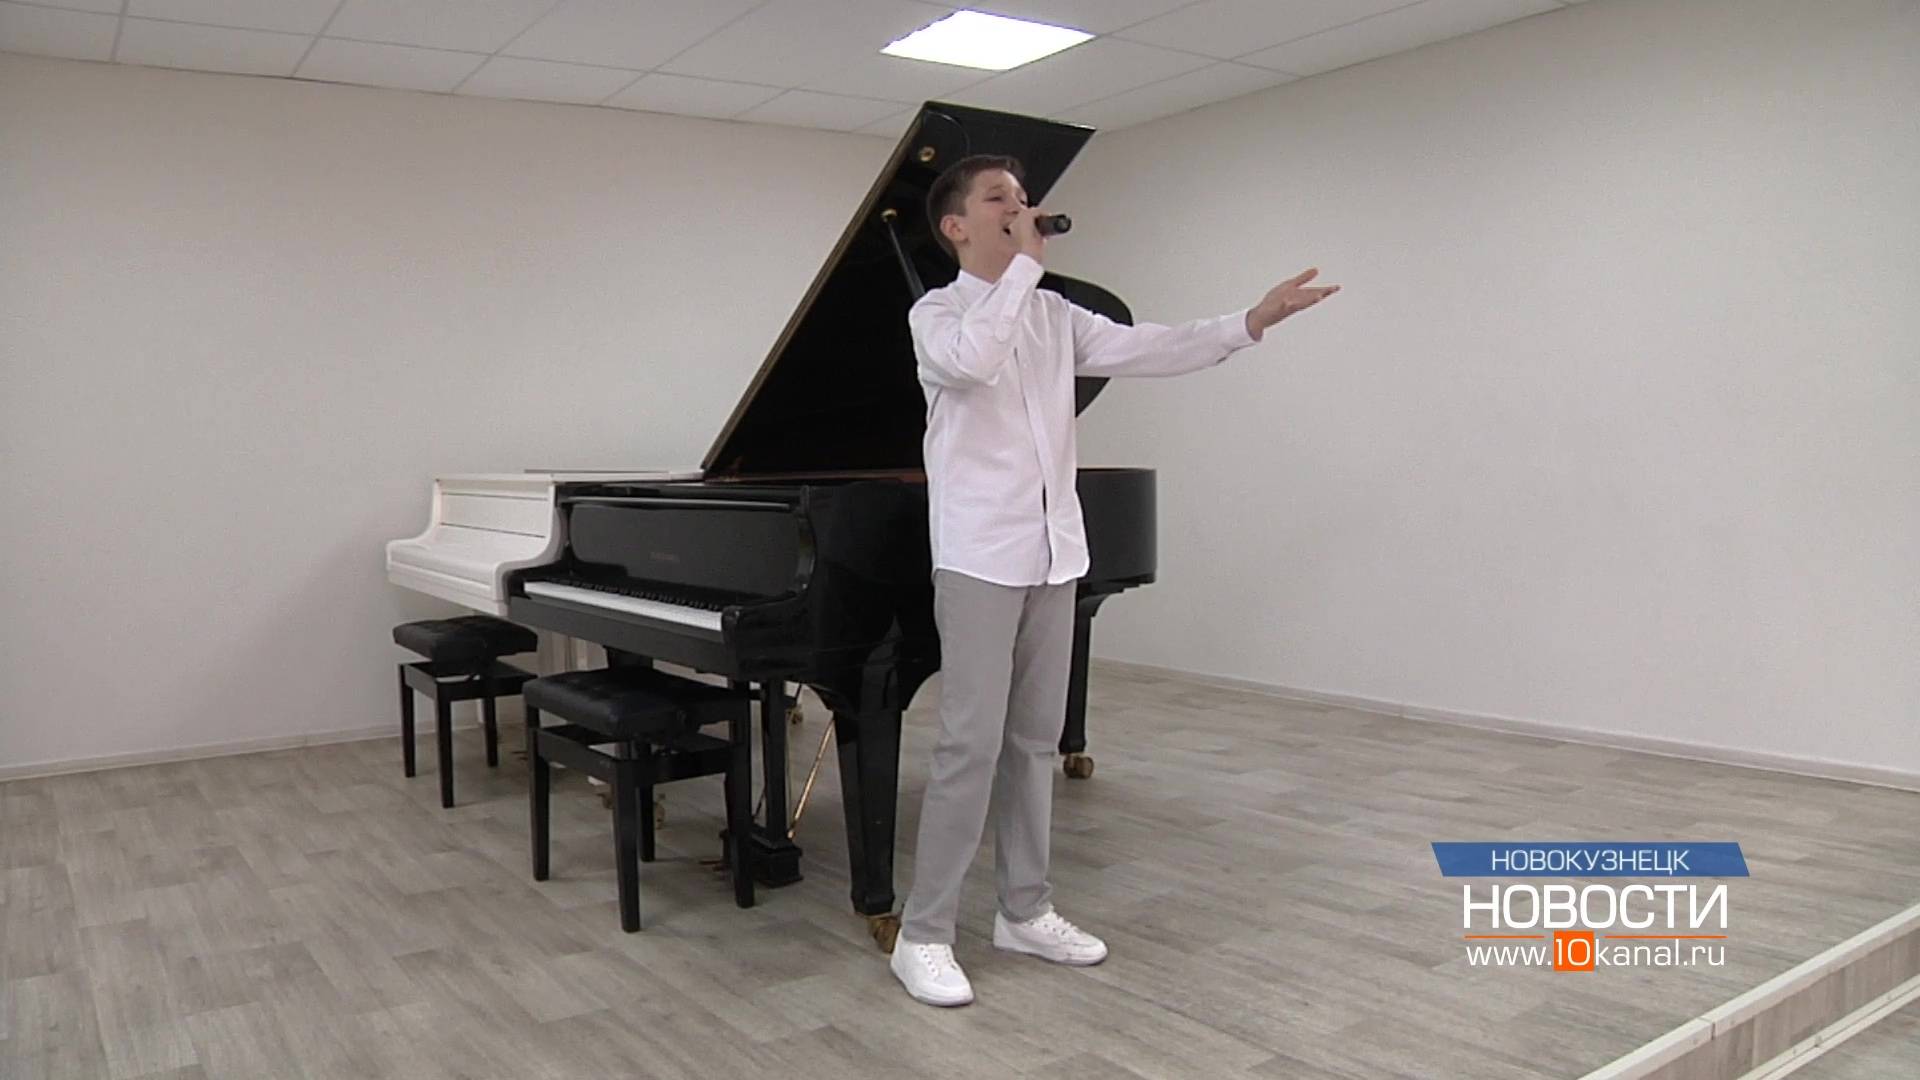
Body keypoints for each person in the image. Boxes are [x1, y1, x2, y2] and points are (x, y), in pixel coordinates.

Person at [890, 154, 1340, 1007]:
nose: (1021, 207)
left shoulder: (1053, 314)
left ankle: (1025, 910)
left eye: (1024, 198)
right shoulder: (937, 314)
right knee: (968, 747)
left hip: (1055, 552)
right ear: (955, 227)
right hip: (979, 557)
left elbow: (1150, 348)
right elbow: (976, 362)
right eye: (999, 199)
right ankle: (924, 933)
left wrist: (1249, 322)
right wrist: (1024, 270)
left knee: (1034, 743)